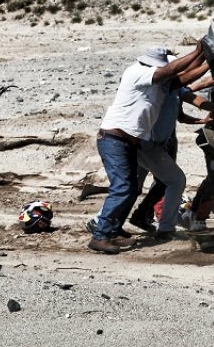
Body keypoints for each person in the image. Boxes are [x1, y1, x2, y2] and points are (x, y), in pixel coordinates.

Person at [88, 43, 207, 254]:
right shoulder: (137, 73)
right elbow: (171, 71)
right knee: (123, 188)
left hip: (127, 142)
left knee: (130, 188)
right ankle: (100, 235)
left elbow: (184, 78)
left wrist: (207, 57)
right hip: (114, 139)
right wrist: (198, 52)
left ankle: (112, 231)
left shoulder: (160, 84)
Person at [127, 81, 213, 234]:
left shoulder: (170, 90)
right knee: (170, 181)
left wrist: (202, 121)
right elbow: (197, 99)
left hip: (153, 141)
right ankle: (158, 223)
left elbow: (181, 116)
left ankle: (136, 216)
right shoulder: (165, 87)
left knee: (141, 184)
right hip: (152, 143)